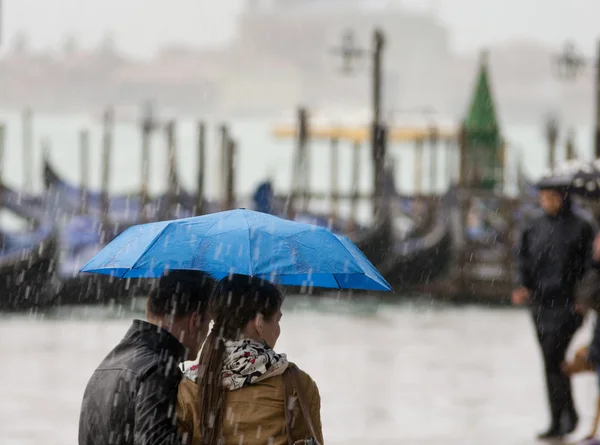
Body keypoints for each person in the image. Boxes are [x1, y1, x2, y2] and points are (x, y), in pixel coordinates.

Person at [177, 274, 323, 445]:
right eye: (277, 319)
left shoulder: (188, 386)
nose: (278, 329)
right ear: (260, 322)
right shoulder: (296, 384)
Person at [79, 270, 216, 445]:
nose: (207, 334)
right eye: (209, 323)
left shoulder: (108, 363)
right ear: (195, 321)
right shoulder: (159, 369)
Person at [512, 186, 598, 439]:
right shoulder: (533, 226)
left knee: (553, 356)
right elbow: (523, 259)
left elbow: (589, 267)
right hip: (540, 303)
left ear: (563, 197)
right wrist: (522, 285)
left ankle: (565, 417)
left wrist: (582, 299)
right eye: (544, 197)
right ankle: (561, 417)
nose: (547, 202)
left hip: (569, 304)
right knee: (550, 362)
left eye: (552, 197)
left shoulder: (582, 227)